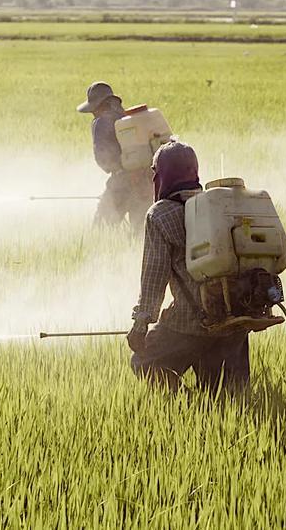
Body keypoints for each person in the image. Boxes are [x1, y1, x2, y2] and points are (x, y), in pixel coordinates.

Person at [127, 141, 251, 392]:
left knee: (144, 362)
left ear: (162, 176)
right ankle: (204, 415)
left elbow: (153, 278)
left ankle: (188, 403)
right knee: (229, 401)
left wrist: (141, 324)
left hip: (188, 323)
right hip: (235, 319)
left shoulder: (160, 214)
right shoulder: (219, 206)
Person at [77, 81, 153, 229]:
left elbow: (103, 158)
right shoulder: (126, 117)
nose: (92, 112)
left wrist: (113, 189)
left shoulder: (100, 122)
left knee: (101, 229)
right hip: (146, 180)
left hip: (121, 182)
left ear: (100, 105)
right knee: (140, 232)